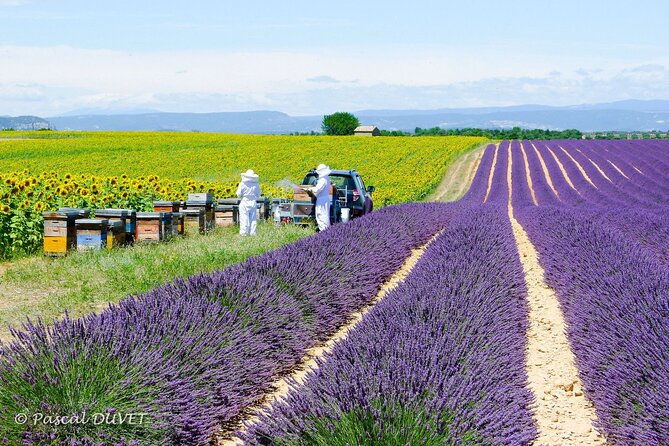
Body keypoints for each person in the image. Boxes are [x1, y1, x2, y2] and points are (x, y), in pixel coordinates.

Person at [236, 169, 260, 236]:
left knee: (244, 218)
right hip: (253, 202)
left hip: (244, 202)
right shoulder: (256, 184)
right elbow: (258, 194)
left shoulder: (243, 184)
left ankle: (244, 233)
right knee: (253, 218)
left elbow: (238, 194)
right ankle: (253, 233)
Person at [311, 163, 332, 231]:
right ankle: (325, 231)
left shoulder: (322, 180)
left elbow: (317, 189)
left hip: (322, 200)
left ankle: (324, 232)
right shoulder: (327, 178)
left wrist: (309, 189)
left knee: (321, 216)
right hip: (325, 199)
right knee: (324, 215)